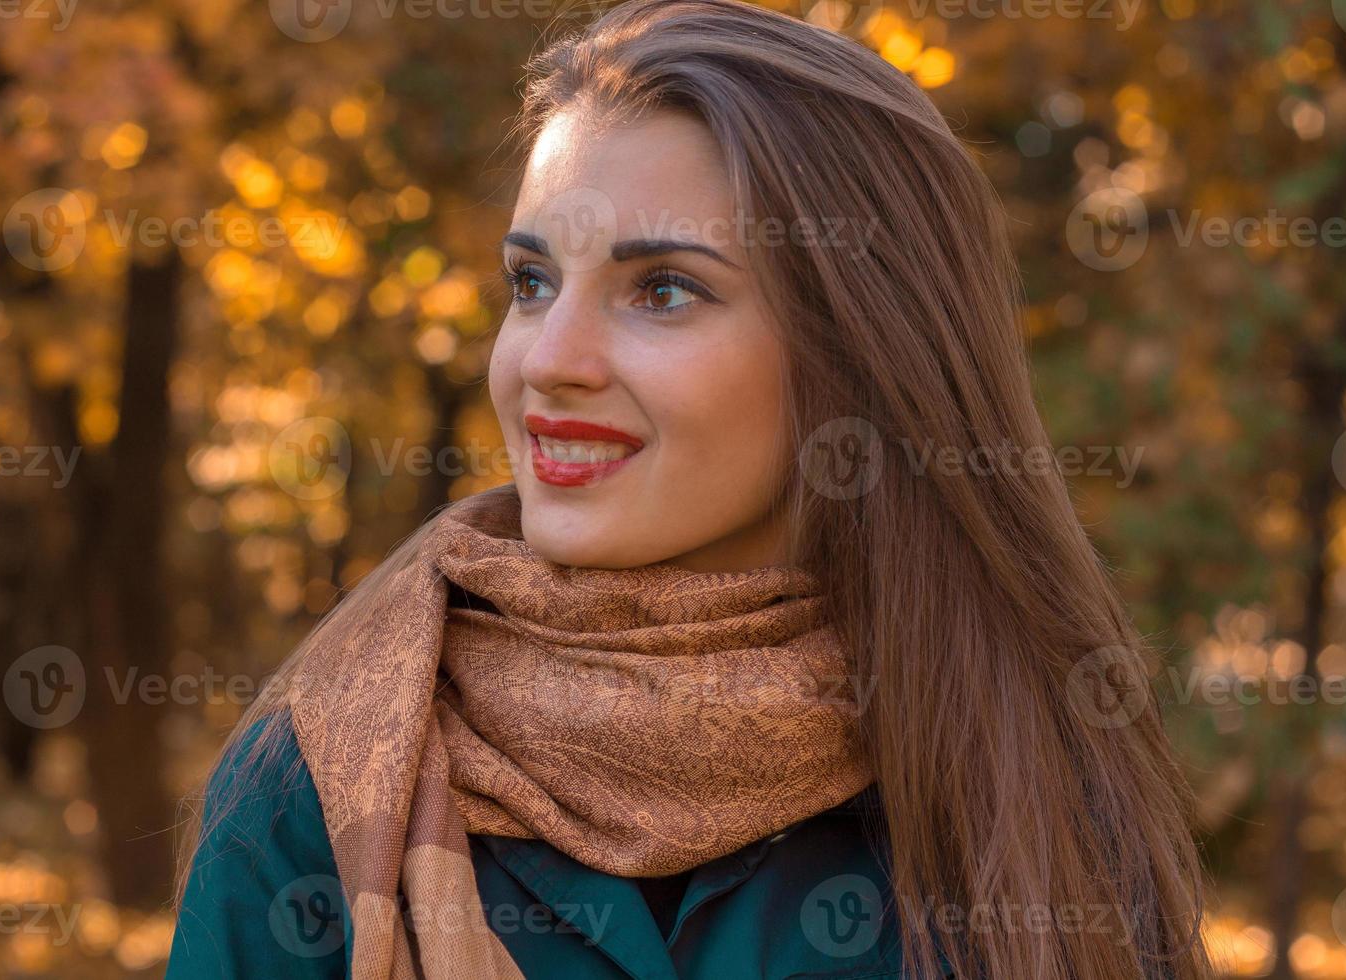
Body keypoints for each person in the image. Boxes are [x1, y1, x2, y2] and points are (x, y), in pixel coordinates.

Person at [167, 0, 1213, 977]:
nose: (549, 359)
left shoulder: (1029, 791)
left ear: (859, 357)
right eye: (531, 283)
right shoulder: (320, 785)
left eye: (662, 289)